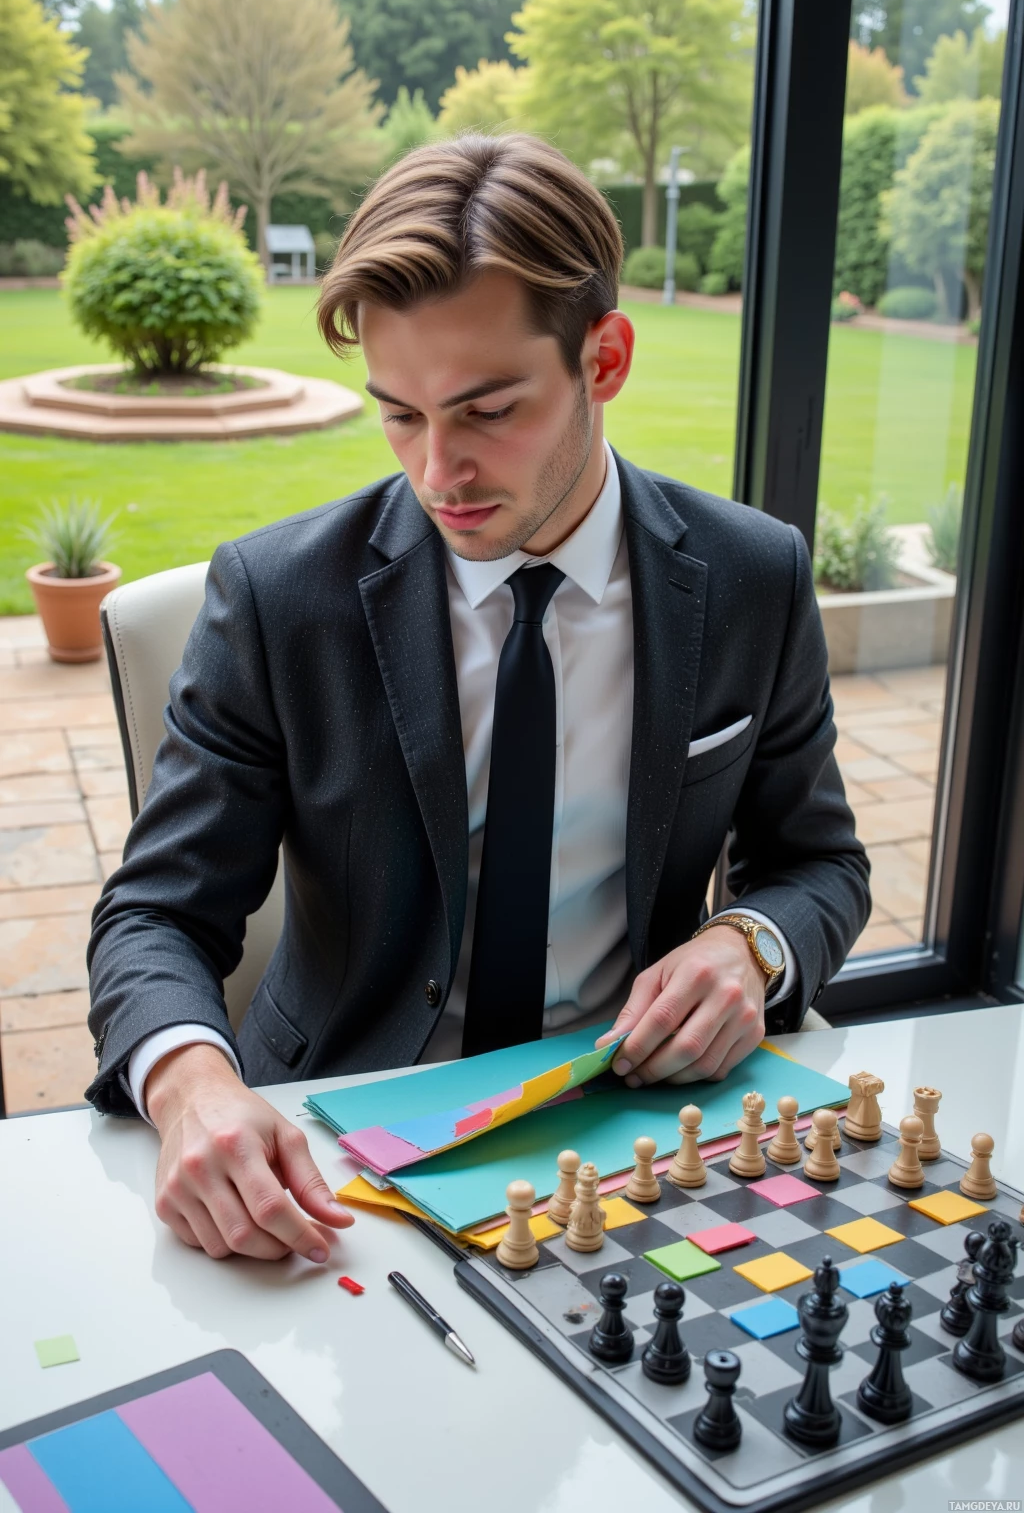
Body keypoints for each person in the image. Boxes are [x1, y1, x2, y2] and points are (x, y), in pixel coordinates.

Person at [86, 133, 870, 1268]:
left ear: (603, 360)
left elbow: (819, 864)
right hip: (340, 1164)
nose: (436, 470)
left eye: (487, 410)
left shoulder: (752, 577)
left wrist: (749, 946)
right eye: (399, 412)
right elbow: (154, 914)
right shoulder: (277, 599)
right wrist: (192, 1085)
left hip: (633, 1135)